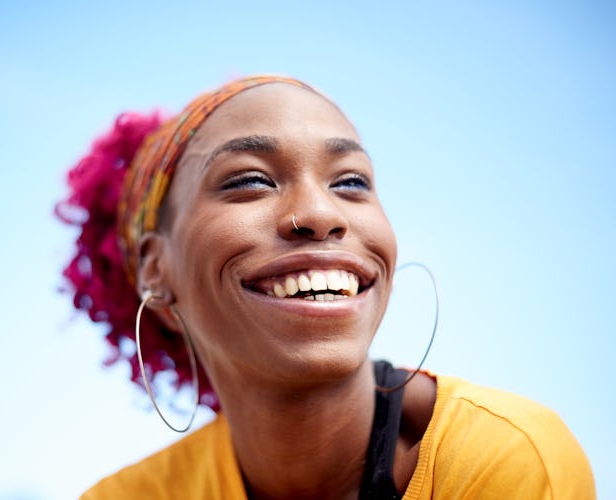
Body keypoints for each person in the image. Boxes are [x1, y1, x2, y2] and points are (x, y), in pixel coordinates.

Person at [57, 76, 595, 499]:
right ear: (156, 267)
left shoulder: (502, 458)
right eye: (250, 180)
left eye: (350, 182)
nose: (319, 214)